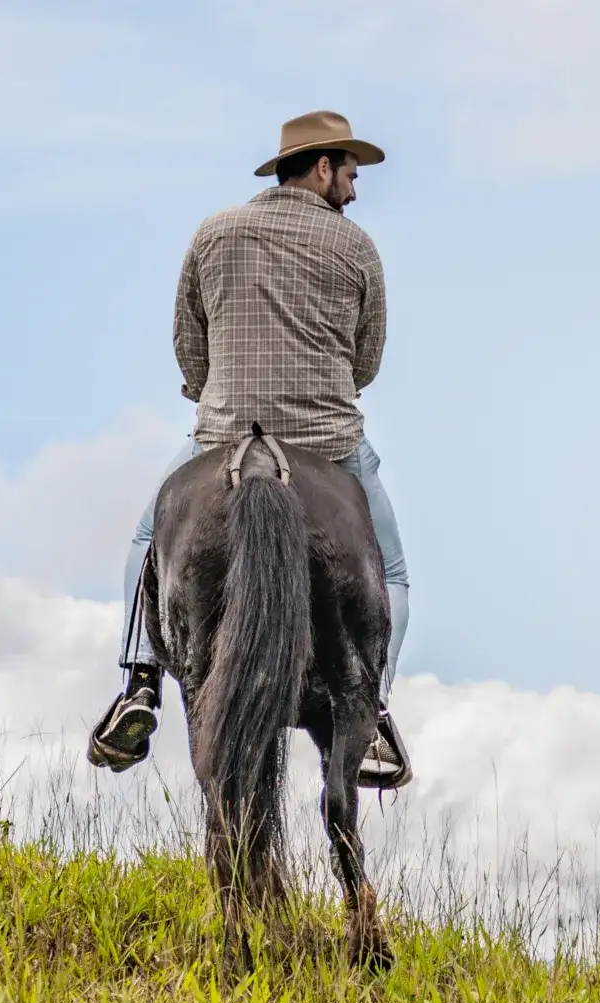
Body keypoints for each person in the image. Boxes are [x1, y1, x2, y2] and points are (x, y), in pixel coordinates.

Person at [89, 110, 412, 786]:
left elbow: (188, 343)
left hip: (224, 433)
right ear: (323, 168)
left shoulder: (214, 232)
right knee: (394, 572)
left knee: (150, 537)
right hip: (329, 440)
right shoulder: (358, 250)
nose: (354, 190)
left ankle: (141, 680)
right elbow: (368, 360)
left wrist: (219, 397)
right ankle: (375, 712)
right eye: (351, 173)